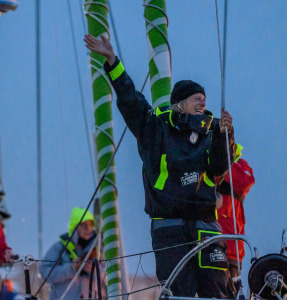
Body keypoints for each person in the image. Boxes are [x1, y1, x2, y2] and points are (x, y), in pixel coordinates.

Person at [84, 34, 235, 298]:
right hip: (170, 229)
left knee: (218, 292)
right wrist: (111, 59)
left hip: (207, 226)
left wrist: (226, 135)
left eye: (204, 99)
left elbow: (220, 168)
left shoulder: (211, 133)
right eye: (197, 98)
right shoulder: (156, 130)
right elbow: (130, 101)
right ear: (181, 103)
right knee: (179, 294)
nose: (203, 102)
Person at [40, 207, 106, 300]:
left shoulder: (99, 248)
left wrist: (95, 271)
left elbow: (110, 278)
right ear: (75, 227)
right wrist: (71, 268)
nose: (88, 228)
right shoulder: (59, 248)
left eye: (90, 224)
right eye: (83, 225)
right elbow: (44, 272)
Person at [216, 144, 255, 291]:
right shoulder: (202, 161)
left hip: (230, 250)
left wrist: (222, 161)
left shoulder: (240, 165)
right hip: (204, 244)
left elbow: (245, 182)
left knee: (230, 293)